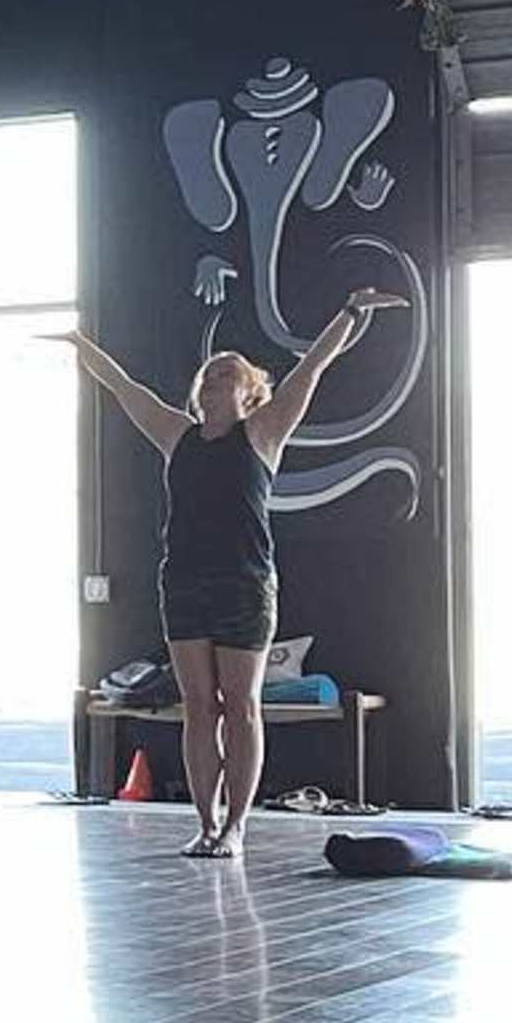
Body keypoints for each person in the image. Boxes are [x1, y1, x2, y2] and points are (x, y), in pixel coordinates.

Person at [55, 294, 402, 857]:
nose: (216, 380)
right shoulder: (176, 435)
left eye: (228, 375)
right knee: (198, 706)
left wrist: (350, 311)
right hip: (185, 583)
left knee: (240, 705)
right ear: (198, 391)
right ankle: (206, 822)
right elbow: (123, 388)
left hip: (245, 584)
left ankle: (237, 825)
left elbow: (311, 368)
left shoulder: (264, 432)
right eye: (209, 374)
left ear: (248, 392)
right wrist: (80, 346)